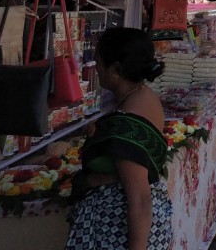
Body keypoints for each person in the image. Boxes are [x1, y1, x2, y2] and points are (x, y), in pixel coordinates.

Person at [67, 27, 171, 250]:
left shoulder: (126, 124)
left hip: (118, 231)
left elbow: (139, 199)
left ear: (115, 69)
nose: (95, 69)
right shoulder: (143, 96)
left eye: (98, 62)